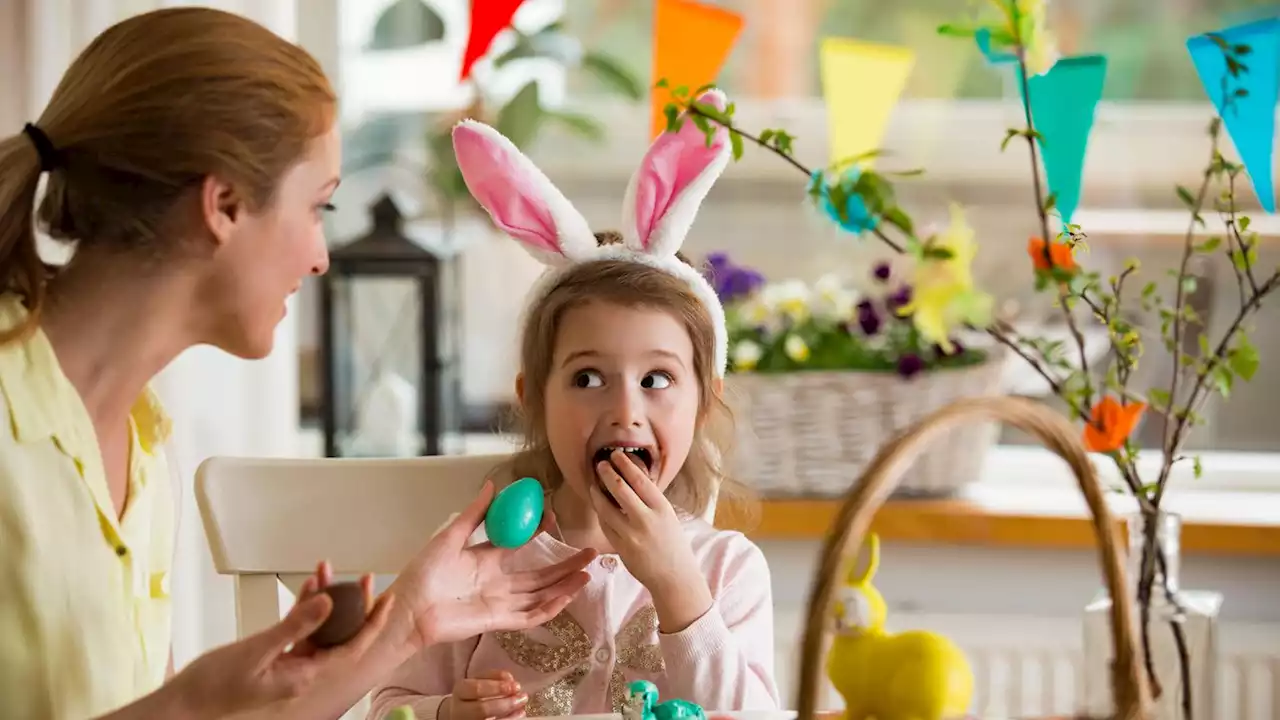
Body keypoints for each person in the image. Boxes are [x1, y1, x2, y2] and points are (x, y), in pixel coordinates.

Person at [0, 8, 594, 720]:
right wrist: (189, 702)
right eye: (318, 207)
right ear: (222, 204)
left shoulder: (140, 438)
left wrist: (411, 625)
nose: (320, 256)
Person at [368, 90, 780, 720]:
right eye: (588, 379)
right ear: (533, 397)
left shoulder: (726, 571)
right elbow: (387, 708)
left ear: (704, 404)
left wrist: (678, 588)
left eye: (658, 380)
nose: (624, 411)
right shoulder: (478, 562)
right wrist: (449, 713)